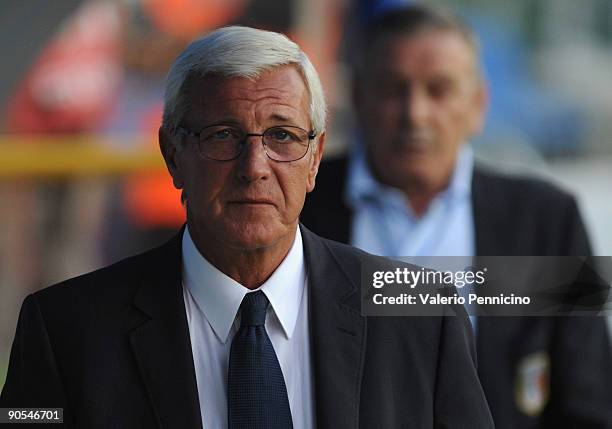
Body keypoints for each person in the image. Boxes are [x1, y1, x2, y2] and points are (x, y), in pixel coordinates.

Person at [0, 26, 494, 428]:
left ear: (315, 158)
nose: (254, 165)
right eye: (222, 135)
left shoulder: (421, 319)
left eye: (282, 135)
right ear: (172, 154)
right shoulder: (66, 331)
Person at [300, 5, 612, 429]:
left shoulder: (544, 222)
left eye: (439, 90)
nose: (416, 114)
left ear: (478, 104)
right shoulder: (300, 209)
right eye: (394, 89)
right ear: (357, 97)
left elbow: (587, 400)